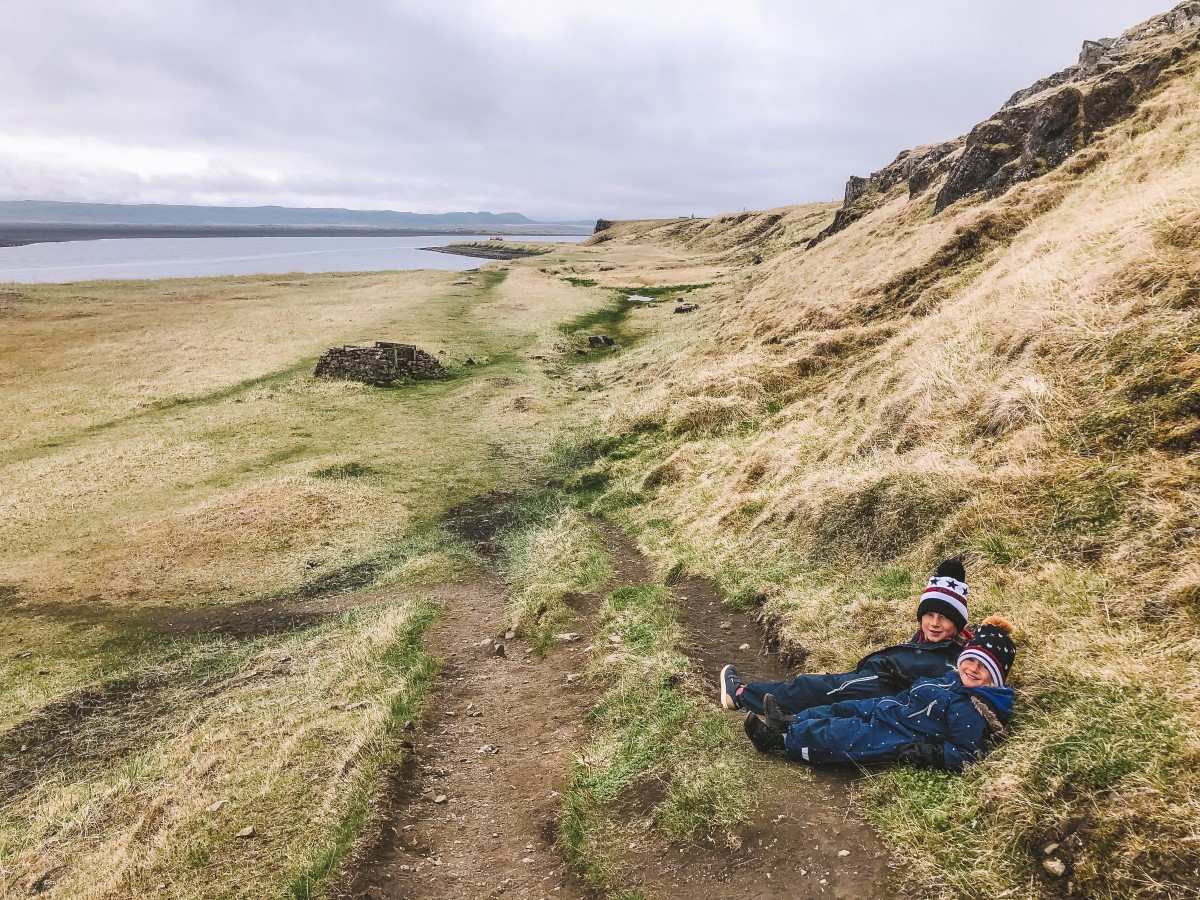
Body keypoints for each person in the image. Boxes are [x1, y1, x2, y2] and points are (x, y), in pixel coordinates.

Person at [743, 617, 1016, 772]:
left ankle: (780, 740)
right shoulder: (952, 678)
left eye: (984, 667)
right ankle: (790, 721)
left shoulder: (974, 709)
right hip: (890, 707)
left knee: (841, 734)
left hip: (898, 734)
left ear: (995, 677)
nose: (974, 669)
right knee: (841, 709)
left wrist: (930, 754)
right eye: (971, 660)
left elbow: (967, 754)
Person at [720, 560, 973, 716]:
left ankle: (741, 695)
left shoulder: (956, 657)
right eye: (928, 614)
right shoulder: (926, 641)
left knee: (815, 688)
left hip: (884, 689)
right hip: (877, 679)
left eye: (944, 617)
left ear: (958, 623)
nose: (935, 623)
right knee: (820, 690)